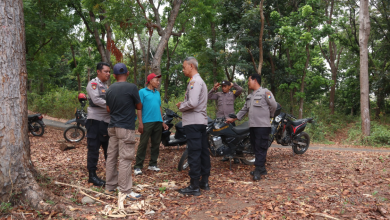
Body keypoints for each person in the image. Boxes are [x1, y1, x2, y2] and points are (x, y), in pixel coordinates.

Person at [226, 74, 277, 181]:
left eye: (249, 80)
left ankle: (258, 170)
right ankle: (262, 168)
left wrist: (270, 115)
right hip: (253, 126)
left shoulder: (265, 92)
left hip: (262, 126)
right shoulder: (250, 96)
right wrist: (234, 119)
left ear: (255, 80)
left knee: (260, 148)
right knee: (255, 148)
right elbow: (244, 109)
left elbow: (274, 105)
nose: (248, 82)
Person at [105, 63, 142, 200]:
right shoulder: (132, 87)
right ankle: (125, 191)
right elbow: (139, 105)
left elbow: (108, 109)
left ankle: (110, 187)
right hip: (126, 127)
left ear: (114, 76)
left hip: (112, 127)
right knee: (125, 158)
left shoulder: (109, 89)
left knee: (112, 157)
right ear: (127, 73)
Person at [176, 57, 210, 196]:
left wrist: (181, 106)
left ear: (191, 66)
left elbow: (193, 103)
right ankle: (204, 181)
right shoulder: (200, 81)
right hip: (200, 122)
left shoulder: (194, 82)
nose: (183, 70)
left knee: (194, 153)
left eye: (184, 67)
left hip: (194, 123)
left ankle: (194, 185)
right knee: (203, 151)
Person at [134, 73, 169, 175]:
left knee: (156, 144)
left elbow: (159, 107)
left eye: (158, 80)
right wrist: (140, 123)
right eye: (156, 80)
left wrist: (162, 122)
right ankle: (138, 166)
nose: (158, 82)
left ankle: (152, 164)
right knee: (143, 144)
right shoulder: (142, 92)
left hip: (158, 121)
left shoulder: (157, 93)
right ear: (150, 81)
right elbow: (139, 108)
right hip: (147, 122)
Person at [85, 62, 111, 186]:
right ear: (98, 72)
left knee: (108, 149)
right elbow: (96, 100)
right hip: (95, 121)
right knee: (93, 149)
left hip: (105, 122)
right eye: (105, 71)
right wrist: (111, 106)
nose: (108, 74)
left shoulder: (105, 86)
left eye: (109, 71)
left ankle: (111, 174)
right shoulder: (93, 84)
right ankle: (92, 176)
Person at [208, 80, 243, 163]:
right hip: (220, 120)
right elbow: (208, 96)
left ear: (228, 87)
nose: (223, 88)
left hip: (230, 120)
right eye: (222, 86)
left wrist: (234, 84)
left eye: (225, 86)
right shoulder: (218, 95)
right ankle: (226, 155)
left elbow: (240, 90)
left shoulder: (233, 94)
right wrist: (213, 89)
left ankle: (236, 156)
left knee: (233, 138)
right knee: (223, 138)